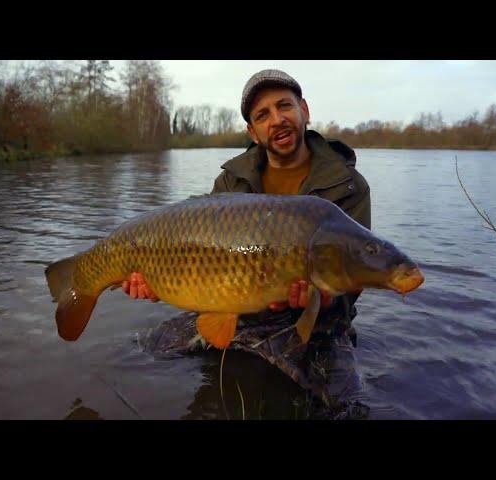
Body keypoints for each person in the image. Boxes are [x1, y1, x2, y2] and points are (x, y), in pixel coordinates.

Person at [122, 69, 372, 416]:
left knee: (340, 404)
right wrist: (156, 277)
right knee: (147, 351)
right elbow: (202, 260)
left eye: (285, 106)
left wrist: (325, 300)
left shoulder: (347, 185)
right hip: (241, 310)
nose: (277, 120)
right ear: (252, 132)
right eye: (262, 115)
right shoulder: (231, 182)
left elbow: (357, 273)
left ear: (305, 110)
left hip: (319, 321)